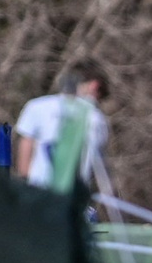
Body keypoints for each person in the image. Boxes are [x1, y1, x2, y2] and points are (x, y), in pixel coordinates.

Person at [13, 64, 114, 197]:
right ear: (94, 86)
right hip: (72, 199)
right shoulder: (96, 119)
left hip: (37, 194)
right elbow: (95, 166)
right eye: (99, 96)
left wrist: (25, 182)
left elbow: (26, 146)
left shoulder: (36, 106)